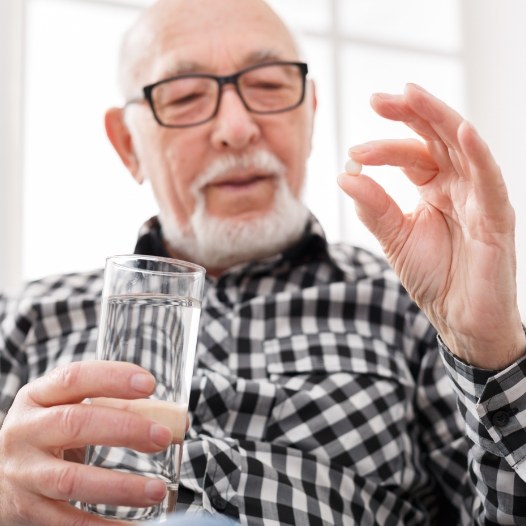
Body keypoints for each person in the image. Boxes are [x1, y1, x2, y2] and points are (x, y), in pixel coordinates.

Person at [1, 0, 526, 524]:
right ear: (127, 145)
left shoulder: (412, 305)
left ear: (311, 114)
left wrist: (489, 349)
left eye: (270, 86)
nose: (237, 128)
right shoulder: (25, 319)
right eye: (185, 97)